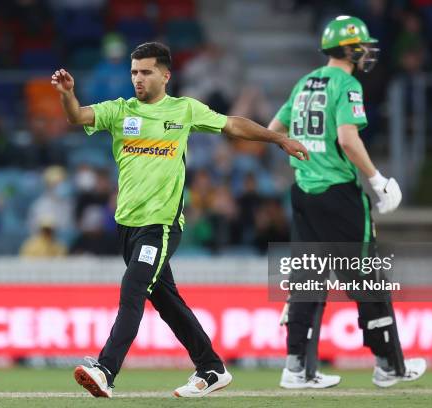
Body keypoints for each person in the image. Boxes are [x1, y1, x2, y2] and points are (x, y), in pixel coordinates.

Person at [51, 41, 308, 398]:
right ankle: (211, 368)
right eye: (134, 72)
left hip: (161, 226)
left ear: (165, 75)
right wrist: (68, 94)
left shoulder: (184, 110)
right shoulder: (119, 110)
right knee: (168, 303)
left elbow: (232, 125)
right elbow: (77, 116)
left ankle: (106, 370)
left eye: (146, 72)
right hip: (128, 226)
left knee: (133, 289)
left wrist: (277, 138)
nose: (138, 79)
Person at [268, 16, 426, 389]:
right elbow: (349, 139)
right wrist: (377, 180)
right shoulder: (347, 83)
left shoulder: (305, 83)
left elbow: (273, 131)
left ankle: (296, 369)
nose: (367, 52)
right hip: (339, 196)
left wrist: (306, 157)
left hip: (304, 192)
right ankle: (389, 364)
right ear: (352, 49)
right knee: (368, 279)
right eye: (363, 46)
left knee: (307, 282)